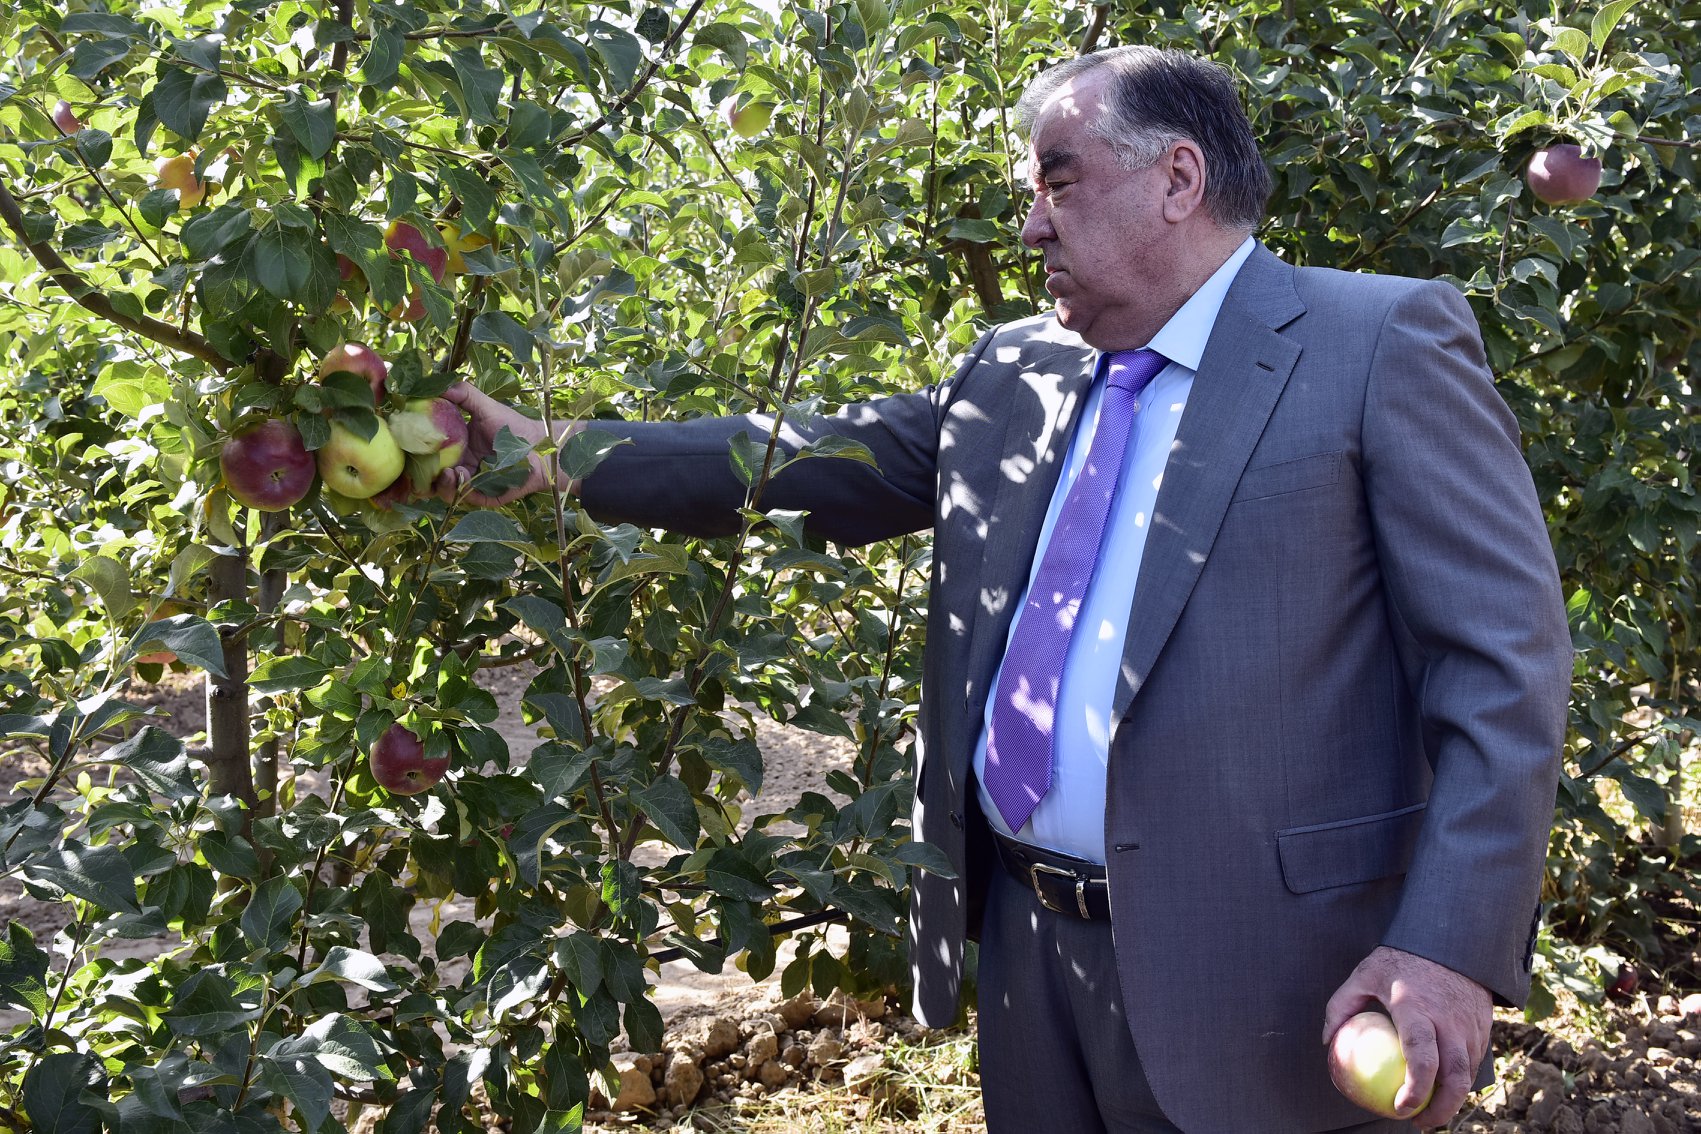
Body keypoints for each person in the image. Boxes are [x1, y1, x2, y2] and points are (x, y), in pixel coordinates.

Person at [438, 45, 1571, 1133]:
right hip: (1031, 959)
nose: (1029, 224)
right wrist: (551, 454)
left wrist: (1447, 947)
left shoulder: (1374, 343)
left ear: (1178, 179)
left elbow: (1500, 666)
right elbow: (801, 459)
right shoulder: (1018, 371)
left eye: (1058, 185)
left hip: (1274, 979)